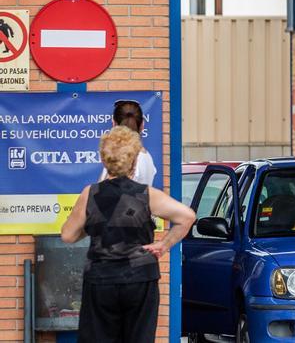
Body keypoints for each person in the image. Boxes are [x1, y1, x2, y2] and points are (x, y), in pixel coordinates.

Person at [61, 126, 195, 343]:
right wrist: (164, 245)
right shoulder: (147, 195)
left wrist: (95, 226)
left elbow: (68, 235)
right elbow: (187, 217)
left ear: (104, 160)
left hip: (101, 280)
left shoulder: (90, 193)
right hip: (140, 279)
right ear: (133, 161)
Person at [98, 100, 157, 186]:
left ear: (114, 124)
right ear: (142, 125)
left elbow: (108, 194)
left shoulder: (124, 159)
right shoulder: (145, 157)